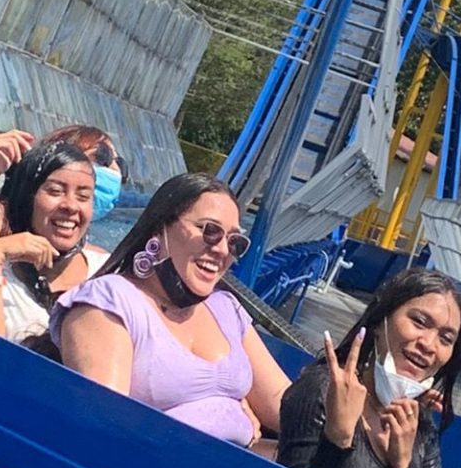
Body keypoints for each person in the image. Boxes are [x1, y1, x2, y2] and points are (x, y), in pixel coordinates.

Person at [50, 174, 291, 448]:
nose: (223, 249)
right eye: (209, 230)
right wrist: (228, 413)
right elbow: (106, 429)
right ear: (160, 228)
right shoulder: (109, 302)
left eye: (235, 241)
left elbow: (285, 407)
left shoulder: (226, 309)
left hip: (231, 462)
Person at [277, 269, 461, 468]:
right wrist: (337, 439)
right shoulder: (321, 391)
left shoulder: (419, 423)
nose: (429, 345)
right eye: (419, 322)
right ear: (381, 322)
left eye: (446, 339)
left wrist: (405, 467)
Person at [0, 124, 126, 296]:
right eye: (104, 155)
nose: (114, 169)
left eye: (83, 195)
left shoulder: (95, 259)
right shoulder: (0, 217)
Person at [0, 140, 108, 344]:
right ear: (26, 199)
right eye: (55, 191)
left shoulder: (111, 273)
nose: (71, 206)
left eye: (83, 196)